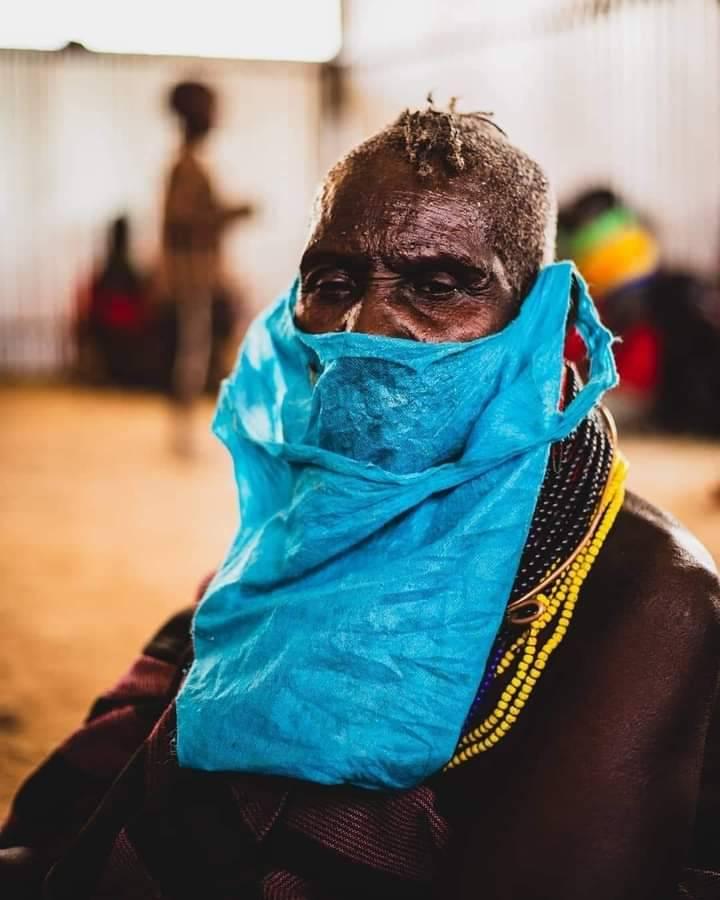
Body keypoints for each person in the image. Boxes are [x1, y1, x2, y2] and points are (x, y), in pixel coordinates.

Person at [2, 104, 719, 900]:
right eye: (332, 284)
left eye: (438, 285)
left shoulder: (647, 599)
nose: (366, 328)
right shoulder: (293, 533)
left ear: (539, 321)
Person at [163, 80, 252, 456]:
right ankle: (182, 433)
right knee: (192, 352)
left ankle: (186, 432)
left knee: (198, 350)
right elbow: (182, 220)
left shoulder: (191, 162)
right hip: (192, 275)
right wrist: (230, 213)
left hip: (201, 273)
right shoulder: (186, 166)